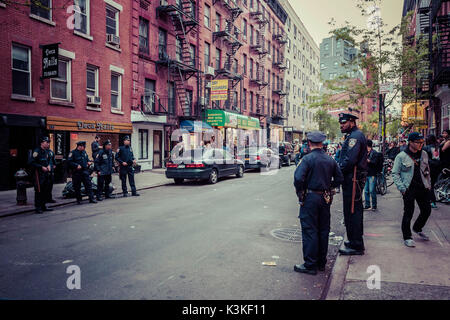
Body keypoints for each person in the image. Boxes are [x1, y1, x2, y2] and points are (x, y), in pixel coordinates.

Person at [293, 131, 343, 275]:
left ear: (309, 143)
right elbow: (339, 178)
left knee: (310, 230)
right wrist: (330, 187)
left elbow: (298, 179)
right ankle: (321, 262)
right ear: (322, 143)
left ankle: (310, 264)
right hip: (325, 198)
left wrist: (300, 192)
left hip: (310, 198)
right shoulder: (330, 159)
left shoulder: (307, 159)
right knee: (323, 230)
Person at [392, 132, 432, 247]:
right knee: (409, 212)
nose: (420, 144)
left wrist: (428, 184)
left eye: (421, 142)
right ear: (410, 142)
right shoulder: (401, 156)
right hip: (408, 188)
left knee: (426, 210)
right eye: (418, 142)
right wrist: (402, 188)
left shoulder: (424, 154)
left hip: (423, 187)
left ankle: (417, 227)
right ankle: (407, 236)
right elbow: (395, 173)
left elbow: (427, 170)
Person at [337, 113, 367, 256]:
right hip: (351, 178)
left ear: (352, 122)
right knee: (351, 210)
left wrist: (338, 171)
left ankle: (356, 245)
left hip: (353, 178)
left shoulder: (355, 136)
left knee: (353, 211)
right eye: (340, 123)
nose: (341, 125)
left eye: (343, 122)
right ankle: (354, 240)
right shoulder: (352, 135)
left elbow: (350, 160)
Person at [28, 137, 54, 214]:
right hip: (38, 174)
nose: (48, 144)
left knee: (45, 190)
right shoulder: (36, 151)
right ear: (42, 143)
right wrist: (41, 167)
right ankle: (38, 207)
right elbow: (31, 162)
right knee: (39, 191)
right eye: (47, 142)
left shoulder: (47, 151)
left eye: (49, 142)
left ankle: (43, 206)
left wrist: (49, 165)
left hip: (46, 174)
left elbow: (50, 160)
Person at [364, 140, 382, 211]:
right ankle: (367, 205)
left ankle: (374, 205)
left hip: (372, 174)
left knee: (372, 190)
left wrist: (368, 161)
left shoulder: (374, 153)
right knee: (366, 191)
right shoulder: (365, 153)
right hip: (366, 174)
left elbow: (375, 162)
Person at [423, 135, 440, 209]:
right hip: (437, 167)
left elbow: (424, 159)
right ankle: (432, 200)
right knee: (432, 184)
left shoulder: (426, 148)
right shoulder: (438, 147)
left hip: (429, 168)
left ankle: (432, 201)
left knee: (429, 185)